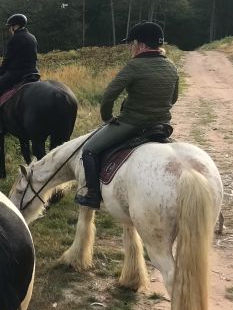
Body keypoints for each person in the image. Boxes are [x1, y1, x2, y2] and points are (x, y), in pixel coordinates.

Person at [74, 21, 179, 209]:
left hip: (133, 123)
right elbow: (174, 98)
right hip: (162, 124)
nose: (131, 47)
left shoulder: (134, 66)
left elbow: (108, 96)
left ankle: (92, 195)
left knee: (89, 149)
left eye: (133, 43)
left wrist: (107, 117)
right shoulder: (171, 66)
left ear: (141, 44)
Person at [0, 13, 39, 134]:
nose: (9, 29)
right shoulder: (32, 37)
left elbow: (8, 59)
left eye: (10, 27)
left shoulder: (15, 38)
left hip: (17, 74)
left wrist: (1, 73)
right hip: (33, 73)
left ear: (16, 26)